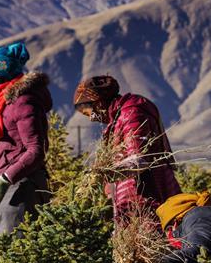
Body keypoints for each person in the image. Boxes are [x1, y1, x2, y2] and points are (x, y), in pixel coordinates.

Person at [73, 75, 181, 219]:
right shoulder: (117, 118)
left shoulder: (132, 113)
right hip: (134, 200)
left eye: (89, 113)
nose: (92, 119)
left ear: (98, 103)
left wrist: (103, 173)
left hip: (148, 196)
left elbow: (139, 159)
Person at [0, 41, 53, 235]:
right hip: (10, 188)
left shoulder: (22, 103)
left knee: (16, 245)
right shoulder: (4, 103)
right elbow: (12, 150)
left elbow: (35, 150)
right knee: (5, 245)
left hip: (22, 188)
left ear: (5, 73)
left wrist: (4, 179)